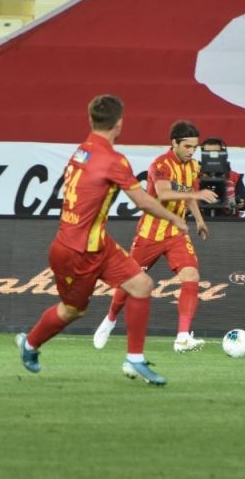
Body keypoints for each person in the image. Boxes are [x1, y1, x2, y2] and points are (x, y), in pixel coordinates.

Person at [16, 95, 191, 386]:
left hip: (98, 243)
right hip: (76, 251)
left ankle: (135, 359)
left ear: (91, 119)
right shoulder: (113, 160)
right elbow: (142, 201)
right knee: (73, 310)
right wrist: (174, 218)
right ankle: (30, 343)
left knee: (141, 285)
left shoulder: (82, 151)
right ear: (119, 123)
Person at [92, 120, 219, 353]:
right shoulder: (160, 164)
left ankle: (182, 337)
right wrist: (195, 193)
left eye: (195, 147)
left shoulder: (193, 166)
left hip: (177, 232)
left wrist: (199, 220)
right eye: (188, 146)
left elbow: (189, 195)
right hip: (150, 233)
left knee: (191, 275)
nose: (192, 151)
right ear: (174, 143)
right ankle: (109, 320)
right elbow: (164, 191)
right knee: (130, 281)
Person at [200, 137, 245, 217]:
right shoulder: (193, 176)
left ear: (223, 154)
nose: (211, 156)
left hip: (229, 221)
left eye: (215, 153)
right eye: (208, 153)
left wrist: (241, 203)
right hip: (200, 220)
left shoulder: (234, 176)